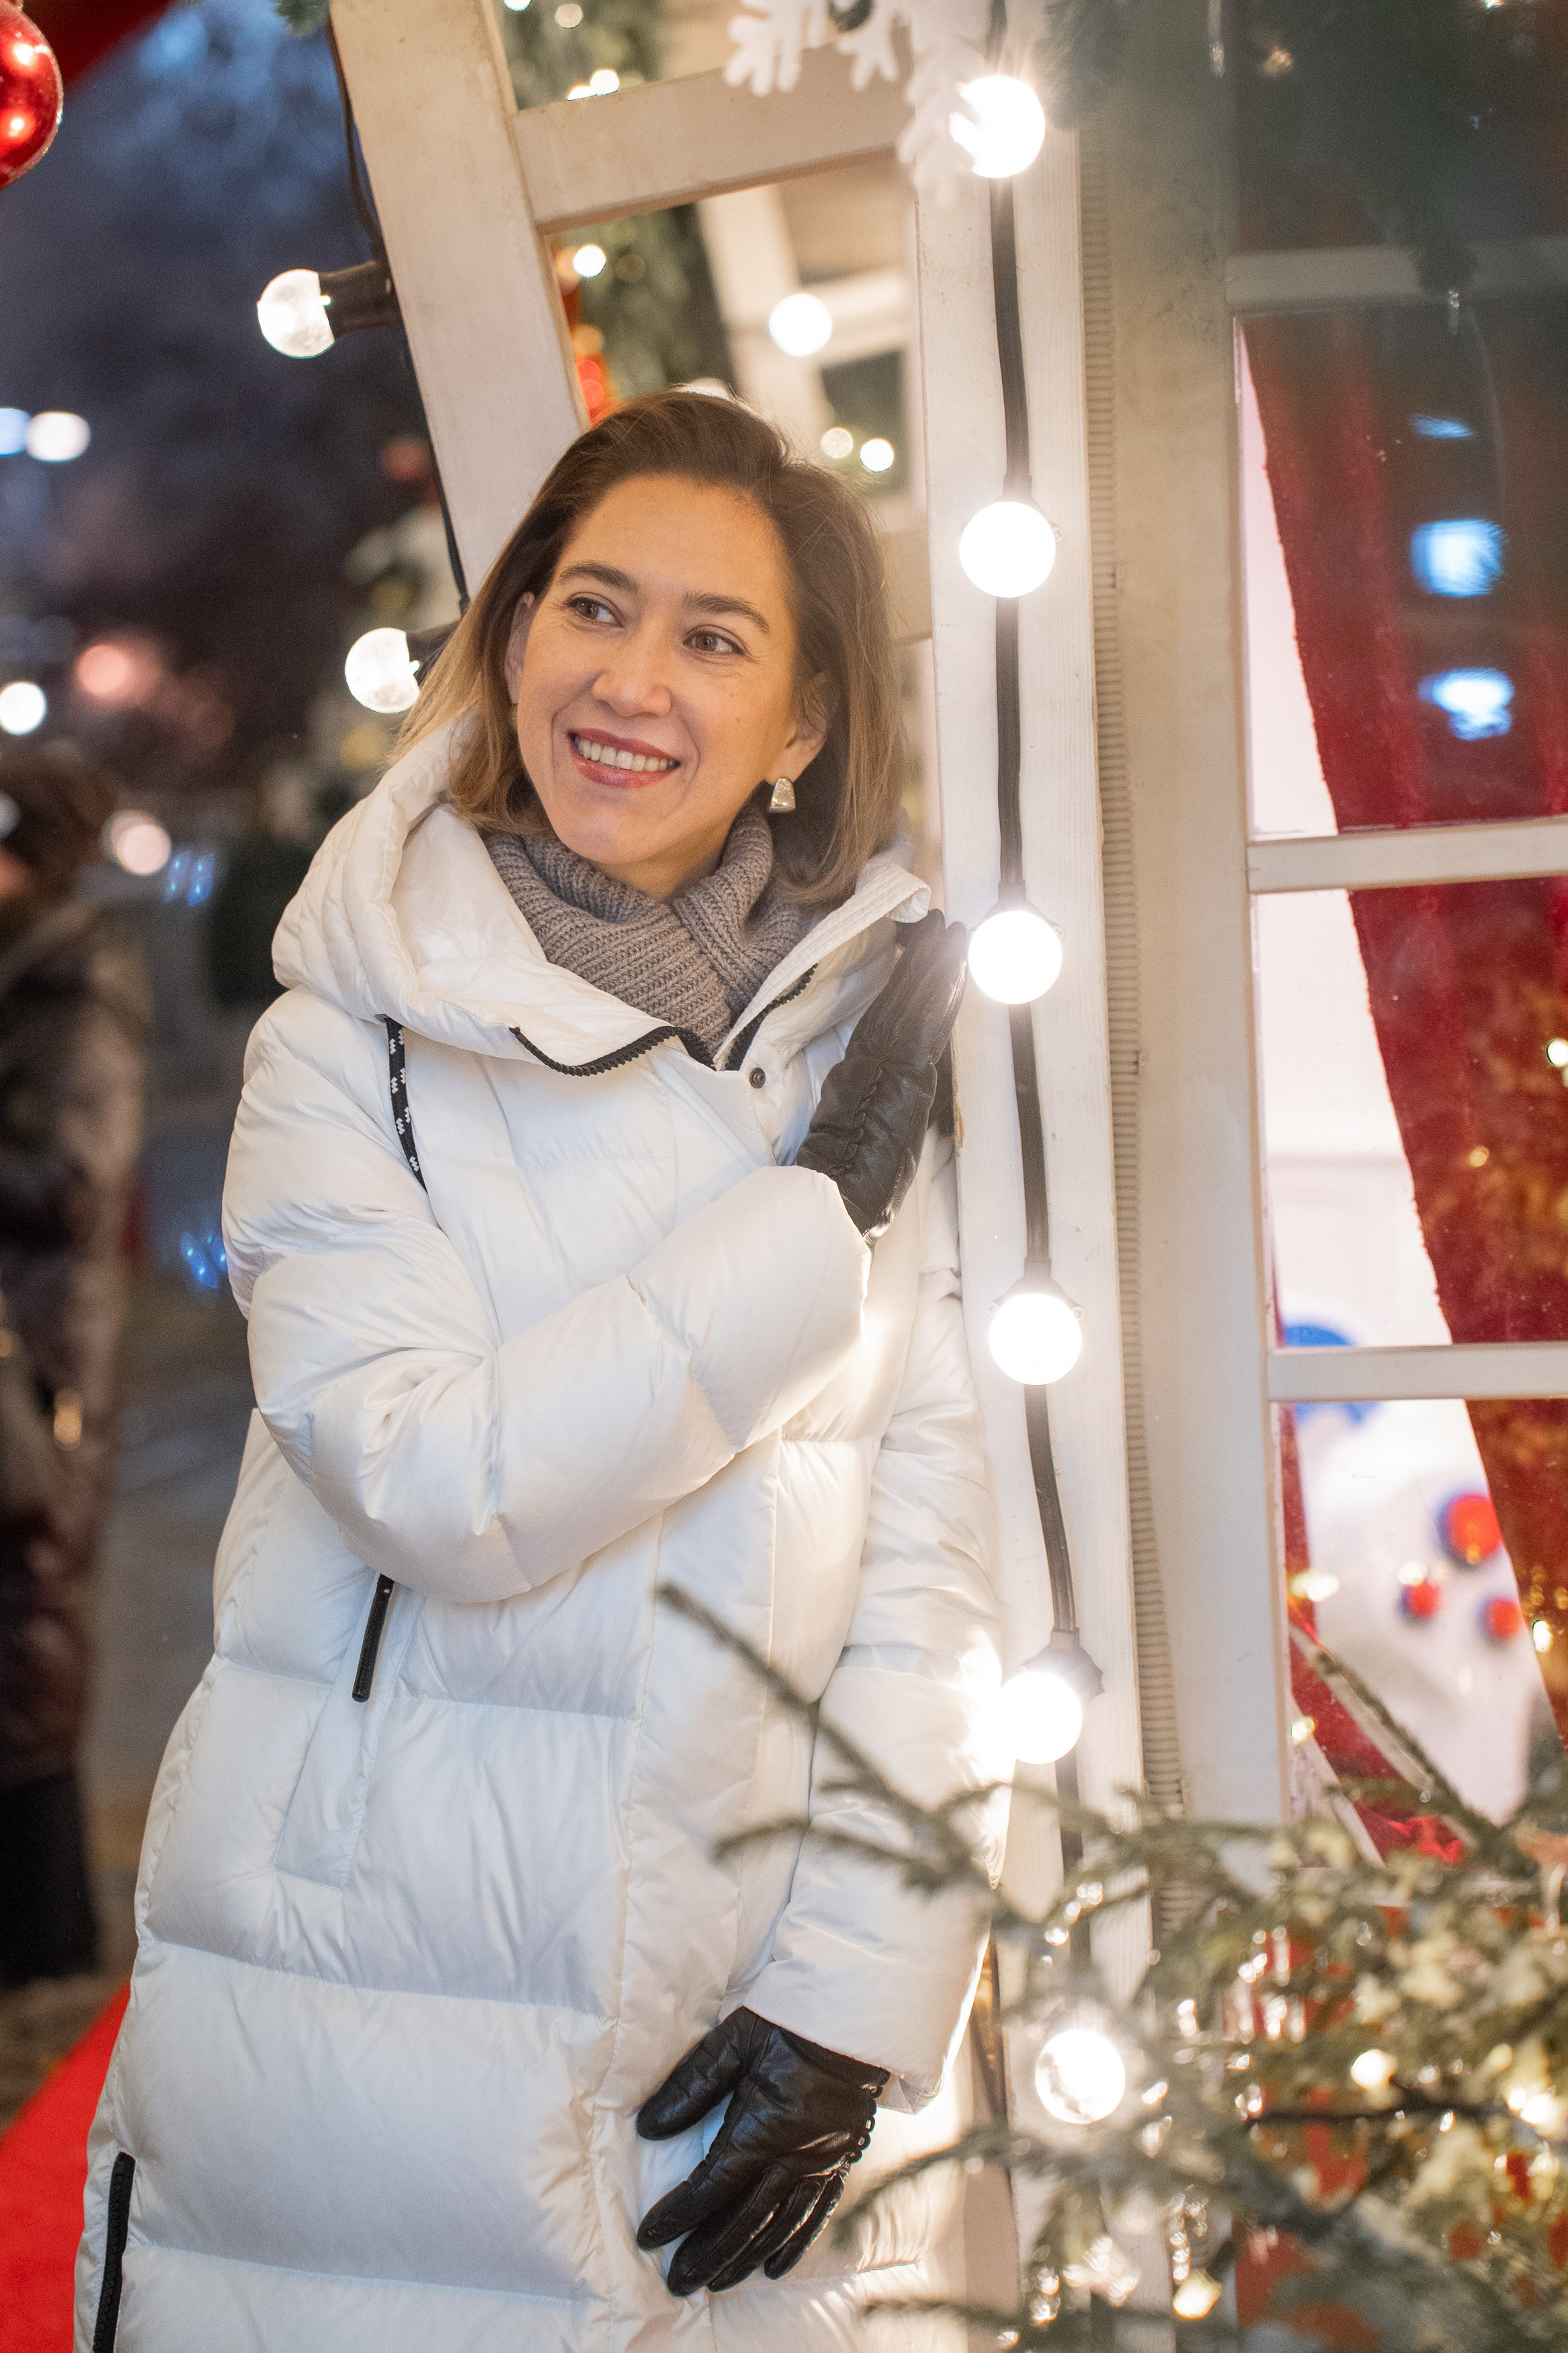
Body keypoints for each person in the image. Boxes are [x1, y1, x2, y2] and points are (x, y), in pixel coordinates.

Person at [77, 391, 1002, 2351]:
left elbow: (929, 1585)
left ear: (805, 723)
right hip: (380, 2001)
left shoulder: (872, 1041)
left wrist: (857, 1990)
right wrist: (809, 1221)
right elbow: (431, 1479)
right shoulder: (354, 1042)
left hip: (737, 2029)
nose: (631, 681)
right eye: (592, 608)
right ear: (509, 644)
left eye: (712, 637)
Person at [0, 747, 147, 1991]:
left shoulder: (76, 984)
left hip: (32, 1371)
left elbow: (68, 1178)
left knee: (27, 1633)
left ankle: (49, 1951)